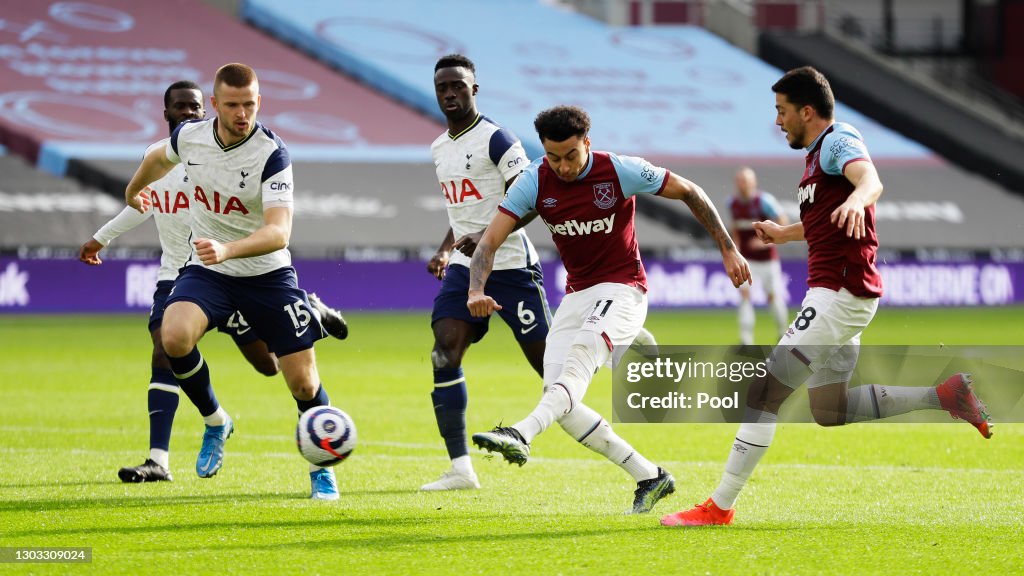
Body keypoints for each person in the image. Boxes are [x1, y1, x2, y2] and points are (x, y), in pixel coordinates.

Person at [660, 66, 993, 528]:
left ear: (807, 111)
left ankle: (719, 507)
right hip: (840, 294)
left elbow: (870, 181)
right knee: (830, 409)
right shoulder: (817, 158)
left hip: (839, 292)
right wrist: (785, 232)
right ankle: (946, 395)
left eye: (782, 111)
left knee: (763, 391)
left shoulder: (837, 141)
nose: (778, 121)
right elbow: (827, 220)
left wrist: (860, 199)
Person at [468, 105, 749, 513]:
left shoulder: (619, 170)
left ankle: (521, 432)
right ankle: (649, 476)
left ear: (587, 142)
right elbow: (489, 242)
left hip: (624, 287)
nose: (562, 166)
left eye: (570, 156)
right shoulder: (534, 180)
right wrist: (476, 289)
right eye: (553, 157)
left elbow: (690, 191)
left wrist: (727, 249)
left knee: (578, 363)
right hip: (578, 295)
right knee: (559, 400)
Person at [79, 80, 348, 484]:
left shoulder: (272, 153)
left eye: (249, 105)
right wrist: (133, 189)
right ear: (217, 104)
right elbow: (156, 157)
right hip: (207, 273)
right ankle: (211, 425)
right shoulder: (190, 139)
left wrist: (228, 249)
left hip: (265, 273)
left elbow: (279, 233)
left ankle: (322, 473)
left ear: (259, 103)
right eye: (233, 105)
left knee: (297, 380)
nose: (242, 114)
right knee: (171, 339)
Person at [422, 55, 661, 500]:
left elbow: (533, 194)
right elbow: (462, 211)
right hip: (468, 266)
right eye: (443, 87)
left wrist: (494, 232)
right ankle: (460, 467)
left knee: (557, 385)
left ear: (475, 89)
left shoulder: (498, 140)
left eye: (458, 85)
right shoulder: (440, 149)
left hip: (513, 268)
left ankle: (619, 350)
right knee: (443, 353)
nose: (450, 93)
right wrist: (447, 247)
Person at [728, 166, 789, 344]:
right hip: (746, 260)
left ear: (753, 182)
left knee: (772, 295)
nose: (743, 184)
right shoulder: (732, 203)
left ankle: (782, 333)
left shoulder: (764, 201)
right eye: (740, 181)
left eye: (746, 181)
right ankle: (746, 340)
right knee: (745, 295)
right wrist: (735, 246)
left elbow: (783, 221)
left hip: (768, 259)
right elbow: (735, 227)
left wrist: (764, 240)